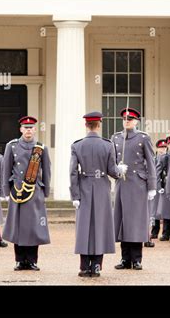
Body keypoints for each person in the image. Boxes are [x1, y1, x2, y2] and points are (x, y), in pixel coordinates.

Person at [70, 112, 126, 277]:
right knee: (100, 226)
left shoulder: (77, 145)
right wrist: (120, 170)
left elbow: (73, 172)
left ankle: (84, 266)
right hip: (102, 186)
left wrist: (74, 195)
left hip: (84, 186)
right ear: (99, 125)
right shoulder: (108, 145)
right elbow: (112, 171)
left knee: (84, 228)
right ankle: (96, 266)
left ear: (86, 125)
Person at [2, 116, 51, 271]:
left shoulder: (41, 147)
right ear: (21, 129)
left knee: (34, 227)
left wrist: (45, 192)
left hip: (34, 191)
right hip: (17, 191)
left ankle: (32, 260)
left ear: (35, 129)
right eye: (25, 127)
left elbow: (47, 172)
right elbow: (6, 169)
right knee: (18, 226)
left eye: (31, 127)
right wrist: (5, 190)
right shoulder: (12, 146)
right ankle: (19, 260)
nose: (28, 130)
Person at [112, 108, 156, 270]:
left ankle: (136, 259)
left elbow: (151, 163)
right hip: (122, 183)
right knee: (123, 220)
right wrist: (117, 168)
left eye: (130, 119)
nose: (127, 121)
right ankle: (125, 259)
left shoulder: (143, 138)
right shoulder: (116, 138)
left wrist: (152, 186)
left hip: (138, 184)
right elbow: (111, 161)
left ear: (136, 121)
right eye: (124, 119)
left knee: (136, 221)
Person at [147, 138, 167, 245]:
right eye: (160, 148)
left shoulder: (168, 159)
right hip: (156, 187)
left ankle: (166, 231)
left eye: (164, 147)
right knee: (153, 211)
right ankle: (155, 230)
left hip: (164, 187)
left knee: (164, 210)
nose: (162, 150)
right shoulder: (154, 159)